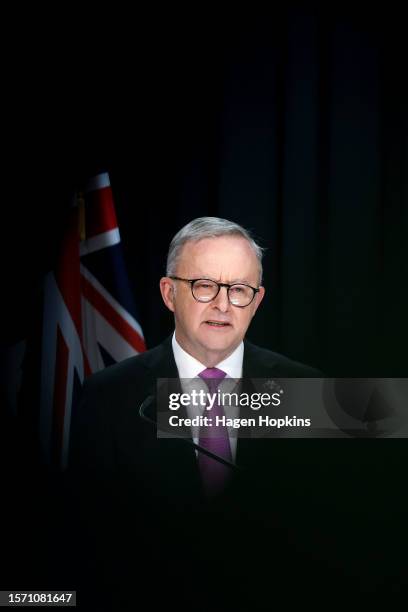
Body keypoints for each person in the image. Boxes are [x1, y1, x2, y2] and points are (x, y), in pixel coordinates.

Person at [66, 218, 403, 609]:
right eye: (204, 286)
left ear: (256, 301)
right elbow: (88, 541)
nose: (223, 305)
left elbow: (333, 537)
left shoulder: (304, 389)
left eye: (239, 290)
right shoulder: (109, 396)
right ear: (169, 293)